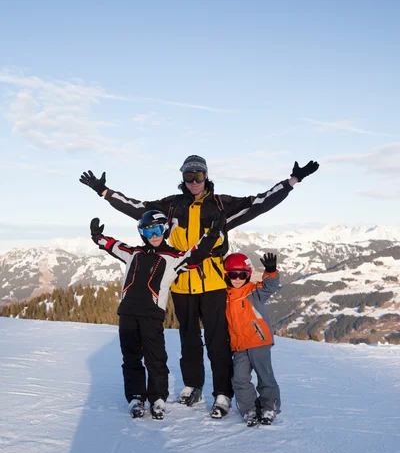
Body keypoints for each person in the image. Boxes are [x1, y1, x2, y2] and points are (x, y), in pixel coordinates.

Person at [80, 155, 319, 418]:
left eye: (199, 176)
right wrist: (104, 192)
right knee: (189, 339)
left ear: (206, 177)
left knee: (217, 340)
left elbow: (259, 203)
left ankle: (222, 392)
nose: (194, 181)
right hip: (182, 283)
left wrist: (292, 181)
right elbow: (138, 209)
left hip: (214, 282)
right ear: (182, 178)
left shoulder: (221, 204)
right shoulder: (171, 206)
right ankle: (193, 385)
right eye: (189, 176)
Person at [90, 208, 225, 420]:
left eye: (158, 230)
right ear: (142, 233)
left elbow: (196, 253)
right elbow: (114, 246)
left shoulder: (173, 257)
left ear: (165, 231)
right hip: (127, 314)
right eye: (149, 231)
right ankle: (136, 396)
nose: (154, 236)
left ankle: (157, 398)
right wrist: (97, 237)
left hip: (152, 316)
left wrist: (213, 233)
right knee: (131, 357)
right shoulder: (133, 253)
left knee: (156, 358)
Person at [223, 251, 281, 427]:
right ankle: (249, 409)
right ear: (227, 275)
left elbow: (270, 287)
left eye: (243, 275)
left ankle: (269, 407)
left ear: (248, 275)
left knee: (265, 376)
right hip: (239, 345)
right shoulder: (224, 296)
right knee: (240, 379)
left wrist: (271, 272)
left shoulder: (254, 291)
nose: (238, 278)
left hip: (259, 342)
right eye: (234, 274)